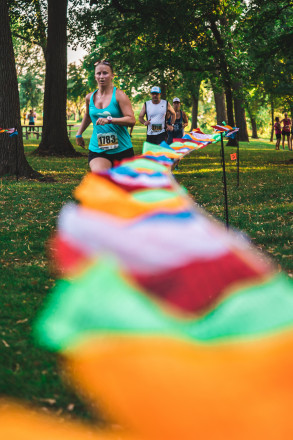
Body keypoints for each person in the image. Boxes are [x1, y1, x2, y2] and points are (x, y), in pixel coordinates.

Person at [76, 60, 136, 173]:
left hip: (122, 149)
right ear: (95, 76)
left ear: (112, 75)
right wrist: (79, 133)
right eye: (98, 73)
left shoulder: (119, 95)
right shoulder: (89, 97)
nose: (101, 76)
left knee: (121, 187)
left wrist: (110, 120)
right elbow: (88, 116)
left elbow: (131, 120)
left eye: (105, 73)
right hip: (98, 149)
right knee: (100, 176)